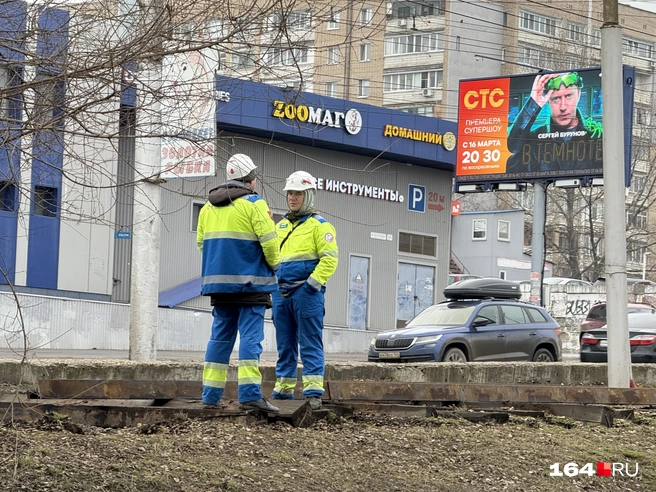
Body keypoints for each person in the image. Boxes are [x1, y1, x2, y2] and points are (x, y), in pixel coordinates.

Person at [197, 153, 281, 413]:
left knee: (219, 340)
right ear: (250, 180)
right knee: (250, 340)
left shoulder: (207, 208)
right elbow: (270, 243)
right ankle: (250, 394)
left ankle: (210, 398)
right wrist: (275, 265)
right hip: (250, 285)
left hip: (219, 286)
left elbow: (202, 244)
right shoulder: (254, 204)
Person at [271, 171, 338, 410]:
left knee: (310, 342)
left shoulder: (320, 227)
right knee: (285, 344)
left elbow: (330, 260)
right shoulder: (279, 227)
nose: (292, 198)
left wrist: (311, 286)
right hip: (281, 294)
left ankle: (313, 392)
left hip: (306, 294)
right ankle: (283, 389)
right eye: (290, 193)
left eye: (298, 193)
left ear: (308, 196)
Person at [506, 72, 603, 175]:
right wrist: (534, 103)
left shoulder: (596, 136)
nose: (563, 107)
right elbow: (513, 148)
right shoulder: (535, 139)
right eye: (556, 98)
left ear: (578, 94)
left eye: (569, 96)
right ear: (548, 101)